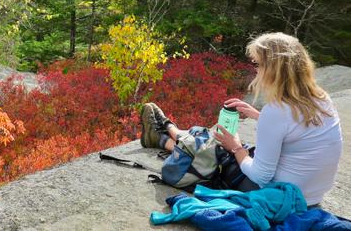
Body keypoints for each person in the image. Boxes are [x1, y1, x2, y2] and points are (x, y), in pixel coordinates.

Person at [140, 32, 343, 206]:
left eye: (256, 63)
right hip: (310, 195)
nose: (255, 68)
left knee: (215, 147)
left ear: (273, 69)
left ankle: (163, 135)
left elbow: (260, 176)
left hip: (278, 196)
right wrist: (257, 115)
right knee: (220, 141)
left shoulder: (277, 111)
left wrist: (236, 148)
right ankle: (169, 132)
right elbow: (297, 130)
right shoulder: (321, 98)